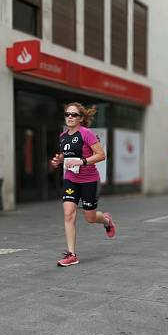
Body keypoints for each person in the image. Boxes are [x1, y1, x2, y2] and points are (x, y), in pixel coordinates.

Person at [50, 103, 116, 267]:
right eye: (67, 114)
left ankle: (107, 220)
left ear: (81, 118)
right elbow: (67, 155)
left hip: (89, 180)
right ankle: (71, 254)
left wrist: (83, 161)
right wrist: (59, 160)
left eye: (74, 115)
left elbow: (101, 155)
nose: (70, 117)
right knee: (68, 214)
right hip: (71, 179)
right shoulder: (63, 136)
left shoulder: (86, 134)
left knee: (90, 218)